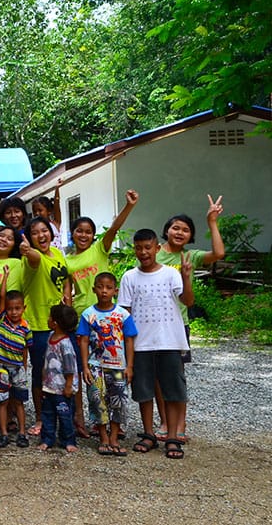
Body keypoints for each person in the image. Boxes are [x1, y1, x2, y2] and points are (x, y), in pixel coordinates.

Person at [118, 229, 194, 460]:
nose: (143, 252)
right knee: (143, 392)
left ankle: (171, 436)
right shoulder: (129, 277)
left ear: (157, 248)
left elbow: (188, 301)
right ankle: (149, 433)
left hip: (169, 341)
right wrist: (125, 347)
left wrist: (187, 276)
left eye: (148, 247)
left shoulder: (171, 274)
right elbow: (125, 315)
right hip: (141, 344)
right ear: (134, 250)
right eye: (139, 248)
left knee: (172, 390)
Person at [155, 195, 225, 443]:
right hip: (152, 325)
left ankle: (180, 423)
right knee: (156, 377)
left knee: (176, 376)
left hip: (177, 325)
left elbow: (218, 253)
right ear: (166, 230)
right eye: (175, 227)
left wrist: (212, 221)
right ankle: (164, 421)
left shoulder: (190, 257)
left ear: (190, 236)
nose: (179, 232)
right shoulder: (154, 253)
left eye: (185, 230)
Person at [19, 217, 70, 437]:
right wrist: (27, 249)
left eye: (44, 231)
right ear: (29, 238)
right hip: (38, 324)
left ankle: (63, 416)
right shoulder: (33, 257)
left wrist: (67, 295)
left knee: (61, 371)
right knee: (41, 373)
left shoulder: (57, 254)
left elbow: (65, 278)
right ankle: (41, 418)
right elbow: (34, 259)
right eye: (35, 233)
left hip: (60, 324)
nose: (41, 236)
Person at [77, 272, 138, 457]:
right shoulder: (88, 314)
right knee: (97, 399)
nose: (104, 291)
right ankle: (103, 437)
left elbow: (129, 340)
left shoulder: (123, 315)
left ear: (115, 291)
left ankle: (114, 437)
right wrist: (85, 367)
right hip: (95, 365)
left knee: (119, 401)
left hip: (118, 365)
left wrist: (129, 366)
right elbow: (84, 341)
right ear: (94, 289)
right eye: (100, 287)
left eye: (109, 287)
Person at [0, 266, 33, 448]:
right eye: (10, 309)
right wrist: (6, 277)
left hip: (18, 368)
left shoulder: (26, 327)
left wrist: (24, 366)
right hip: (1, 366)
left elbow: (26, 348)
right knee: (2, 402)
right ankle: (4, 433)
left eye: (17, 308)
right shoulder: (2, 320)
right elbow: (2, 297)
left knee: (18, 402)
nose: (13, 312)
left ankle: (22, 432)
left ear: (23, 308)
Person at [38, 304, 80, 452]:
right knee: (47, 414)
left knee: (65, 415)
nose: (48, 319)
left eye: (50, 317)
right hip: (50, 386)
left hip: (62, 388)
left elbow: (70, 367)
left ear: (55, 323)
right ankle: (47, 439)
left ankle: (68, 440)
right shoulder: (50, 336)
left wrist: (69, 385)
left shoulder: (66, 344)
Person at [31, 178, 65, 250]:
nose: (37, 213)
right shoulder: (33, 227)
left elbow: (56, 204)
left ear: (49, 211)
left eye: (40, 210)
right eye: (35, 211)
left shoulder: (55, 223)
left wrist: (57, 188)